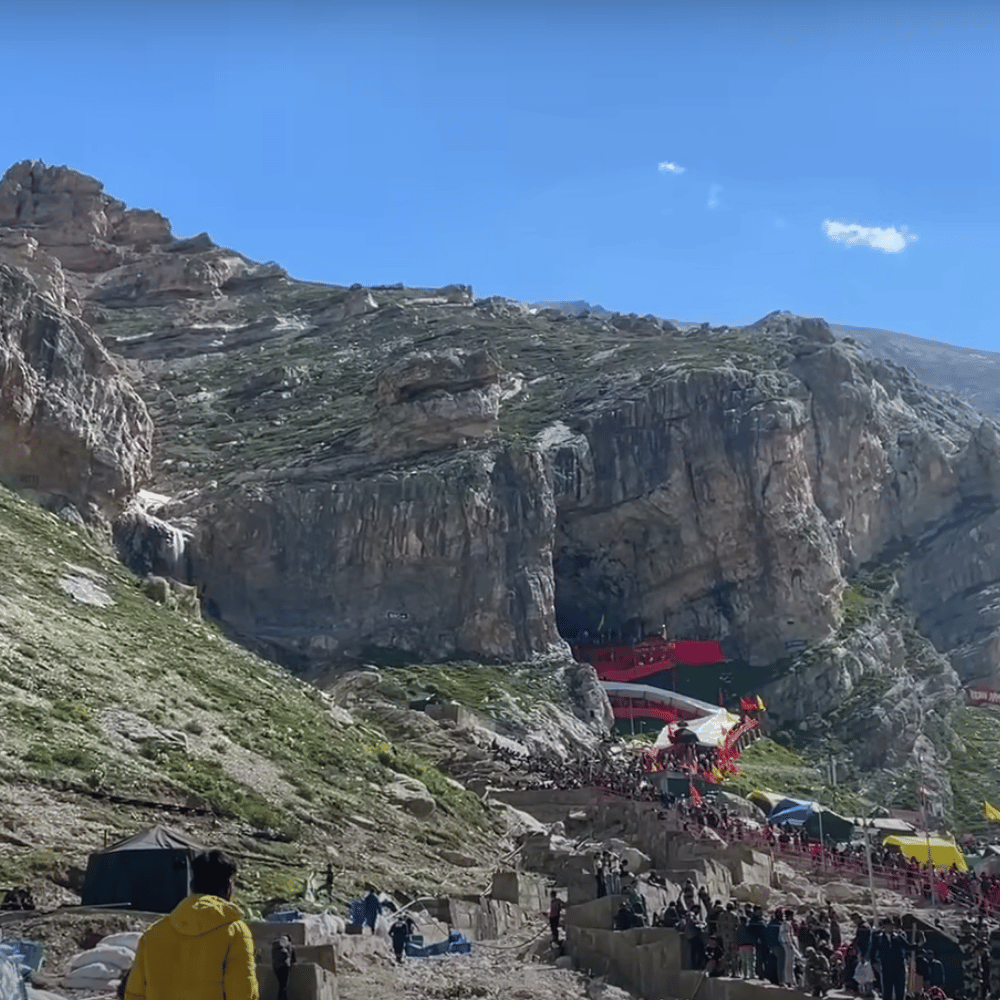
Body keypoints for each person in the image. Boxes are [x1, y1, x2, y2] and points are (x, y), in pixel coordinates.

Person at [124, 849, 258, 1000]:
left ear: (192, 886)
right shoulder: (235, 932)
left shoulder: (154, 932)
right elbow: (243, 993)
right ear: (228, 887)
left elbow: (135, 993)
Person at [271, 935, 296, 1000]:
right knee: (283, 986)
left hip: (276, 966)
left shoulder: (277, 943)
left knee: (280, 985)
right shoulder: (289, 944)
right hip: (284, 966)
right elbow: (294, 960)